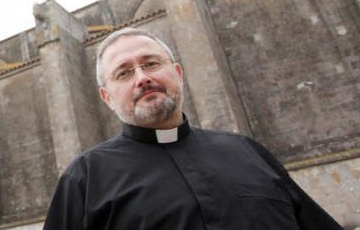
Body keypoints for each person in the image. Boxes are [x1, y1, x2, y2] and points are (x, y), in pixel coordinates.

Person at [42, 27, 343, 229]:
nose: (141, 77)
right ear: (107, 97)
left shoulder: (248, 152)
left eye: (150, 64)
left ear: (177, 73)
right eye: (124, 73)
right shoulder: (85, 177)